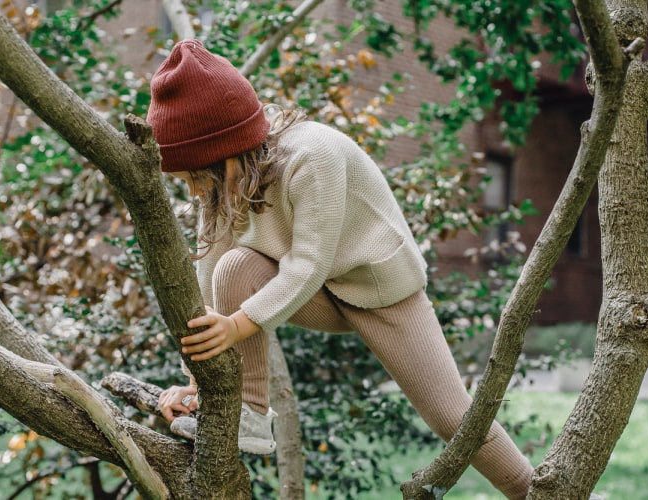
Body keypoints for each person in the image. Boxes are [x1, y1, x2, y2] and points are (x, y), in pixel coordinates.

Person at [148, 39, 534, 499]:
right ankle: (247, 416)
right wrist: (196, 386)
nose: (193, 191)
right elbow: (210, 286)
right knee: (231, 268)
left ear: (227, 151)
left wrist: (236, 325)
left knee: (453, 417)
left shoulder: (313, 155)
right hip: (312, 295)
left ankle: (540, 493)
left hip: (379, 291)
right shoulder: (220, 184)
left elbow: (308, 264)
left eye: (195, 177)